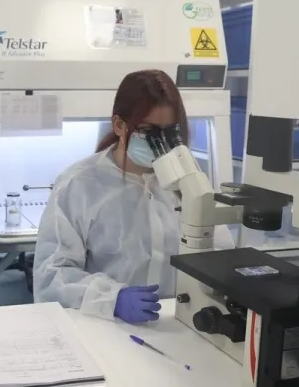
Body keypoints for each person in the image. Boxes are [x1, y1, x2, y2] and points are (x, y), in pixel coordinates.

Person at [33, 69, 234, 324]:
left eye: (170, 131)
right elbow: (51, 275)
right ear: (119, 125)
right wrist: (111, 299)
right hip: (107, 324)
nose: (161, 142)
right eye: (149, 131)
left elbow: (220, 252)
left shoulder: (188, 179)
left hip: (179, 324)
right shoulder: (78, 185)